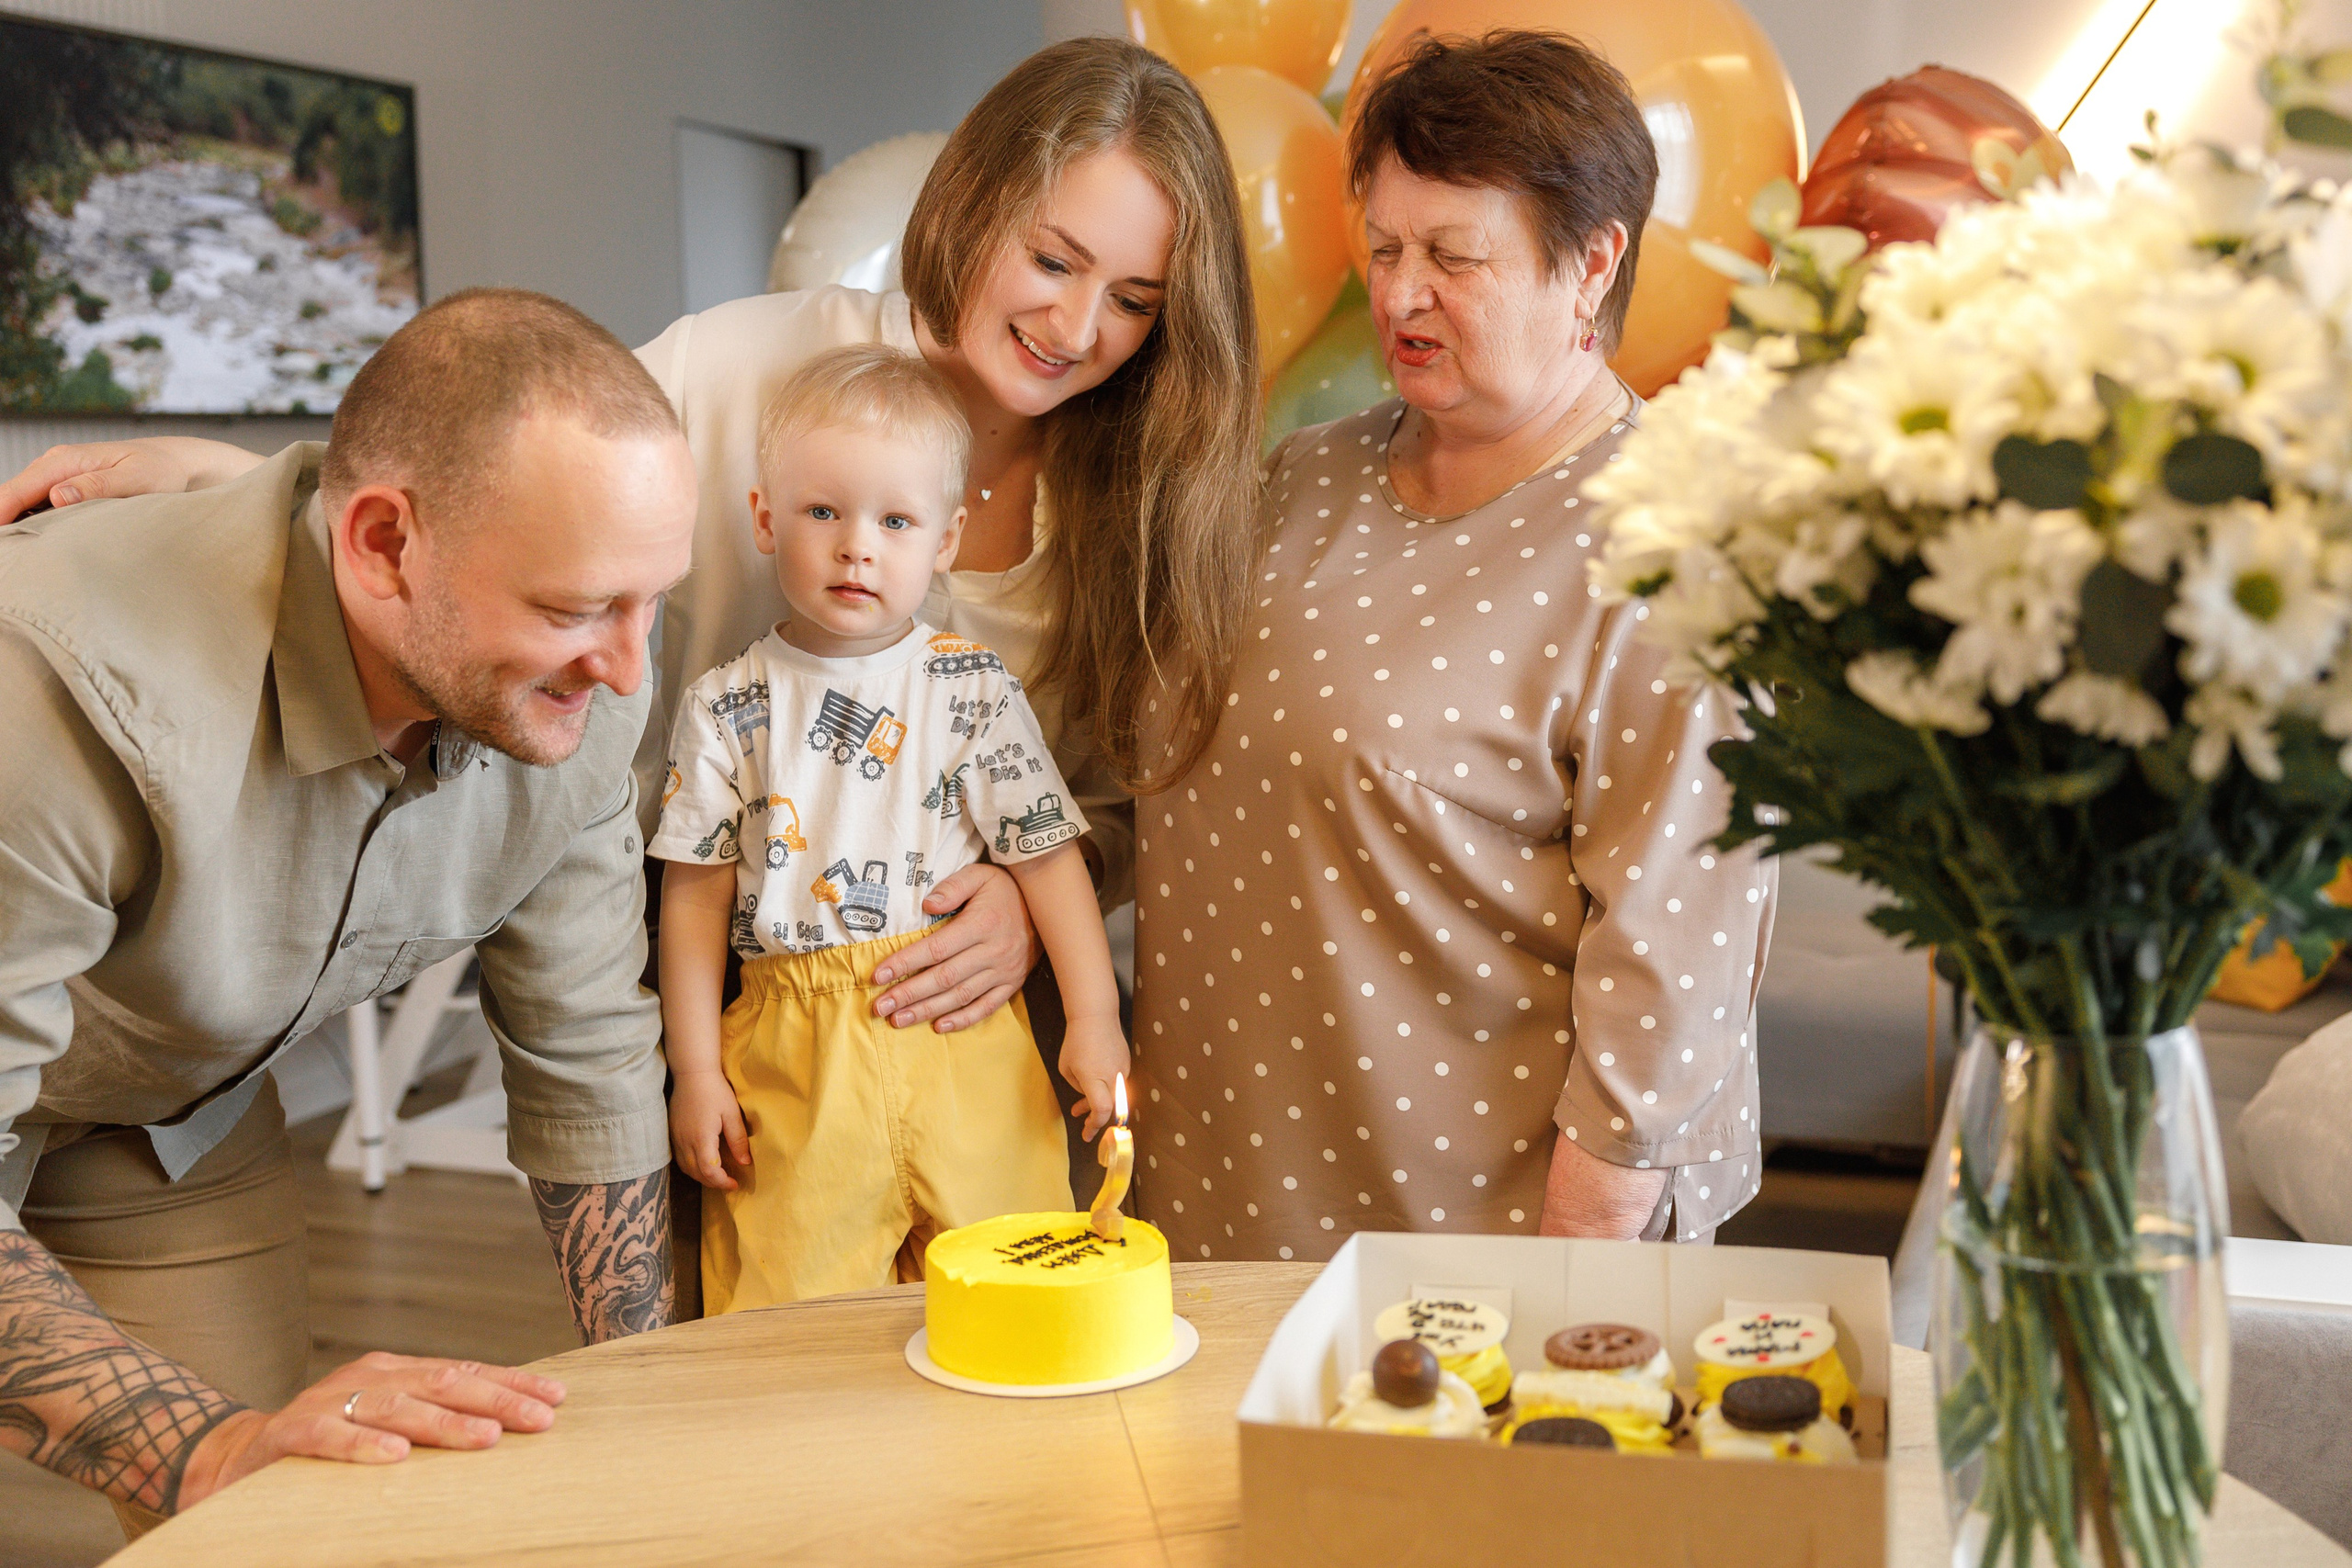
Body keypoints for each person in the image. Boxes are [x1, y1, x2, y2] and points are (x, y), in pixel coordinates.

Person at [0, 36, 1265, 1085]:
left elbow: (1116, 802)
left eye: (1136, 300)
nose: (1077, 325)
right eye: (1052, 259)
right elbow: (493, 480)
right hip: (697, 969)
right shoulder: (741, 369)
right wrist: (239, 483)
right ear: (980, 201)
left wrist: (1034, 902)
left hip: (958, 1013)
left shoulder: (1134, 497)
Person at [0, 288, 694, 1533]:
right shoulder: (48, 692)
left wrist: (654, 1402)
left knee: (262, 1527)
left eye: (651, 602)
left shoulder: (586, 692)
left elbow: (587, 1044)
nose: (629, 667)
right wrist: (207, 1446)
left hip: (159, 1112)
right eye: (574, 607)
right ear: (381, 546)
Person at [1132, 31, 1778, 1261]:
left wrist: (1561, 1289)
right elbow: (1162, 756)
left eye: (1454, 256)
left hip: (1476, 1244)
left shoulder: (1668, 546)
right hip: (1219, 1195)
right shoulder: (1296, 479)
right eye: (1383, 247)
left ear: (1591, 264)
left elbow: (1670, 982)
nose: (1398, 293)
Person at [655, 346, 1128, 1310]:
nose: (855, 546)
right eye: (822, 511)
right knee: (794, 1311)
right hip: (794, 1055)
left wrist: (1093, 1017)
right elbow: (693, 902)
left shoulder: (971, 687)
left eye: (895, 521)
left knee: (1017, 1289)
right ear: (763, 518)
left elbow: (1045, 860)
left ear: (944, 541)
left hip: (966, 1043)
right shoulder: (724, 705)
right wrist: (695, 1069)